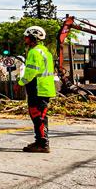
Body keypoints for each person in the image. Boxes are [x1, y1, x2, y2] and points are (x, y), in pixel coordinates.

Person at [17, 25, 57, 153]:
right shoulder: (46, 52)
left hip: (37, 88)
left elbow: (31, 72)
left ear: (32, 37)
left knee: (38, 116)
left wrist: (20, 83)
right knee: (40, 116)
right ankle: (40, 141)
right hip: (45, 88)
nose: (25, 39)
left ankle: (43, 144)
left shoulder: (34, 52)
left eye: (26, 37)